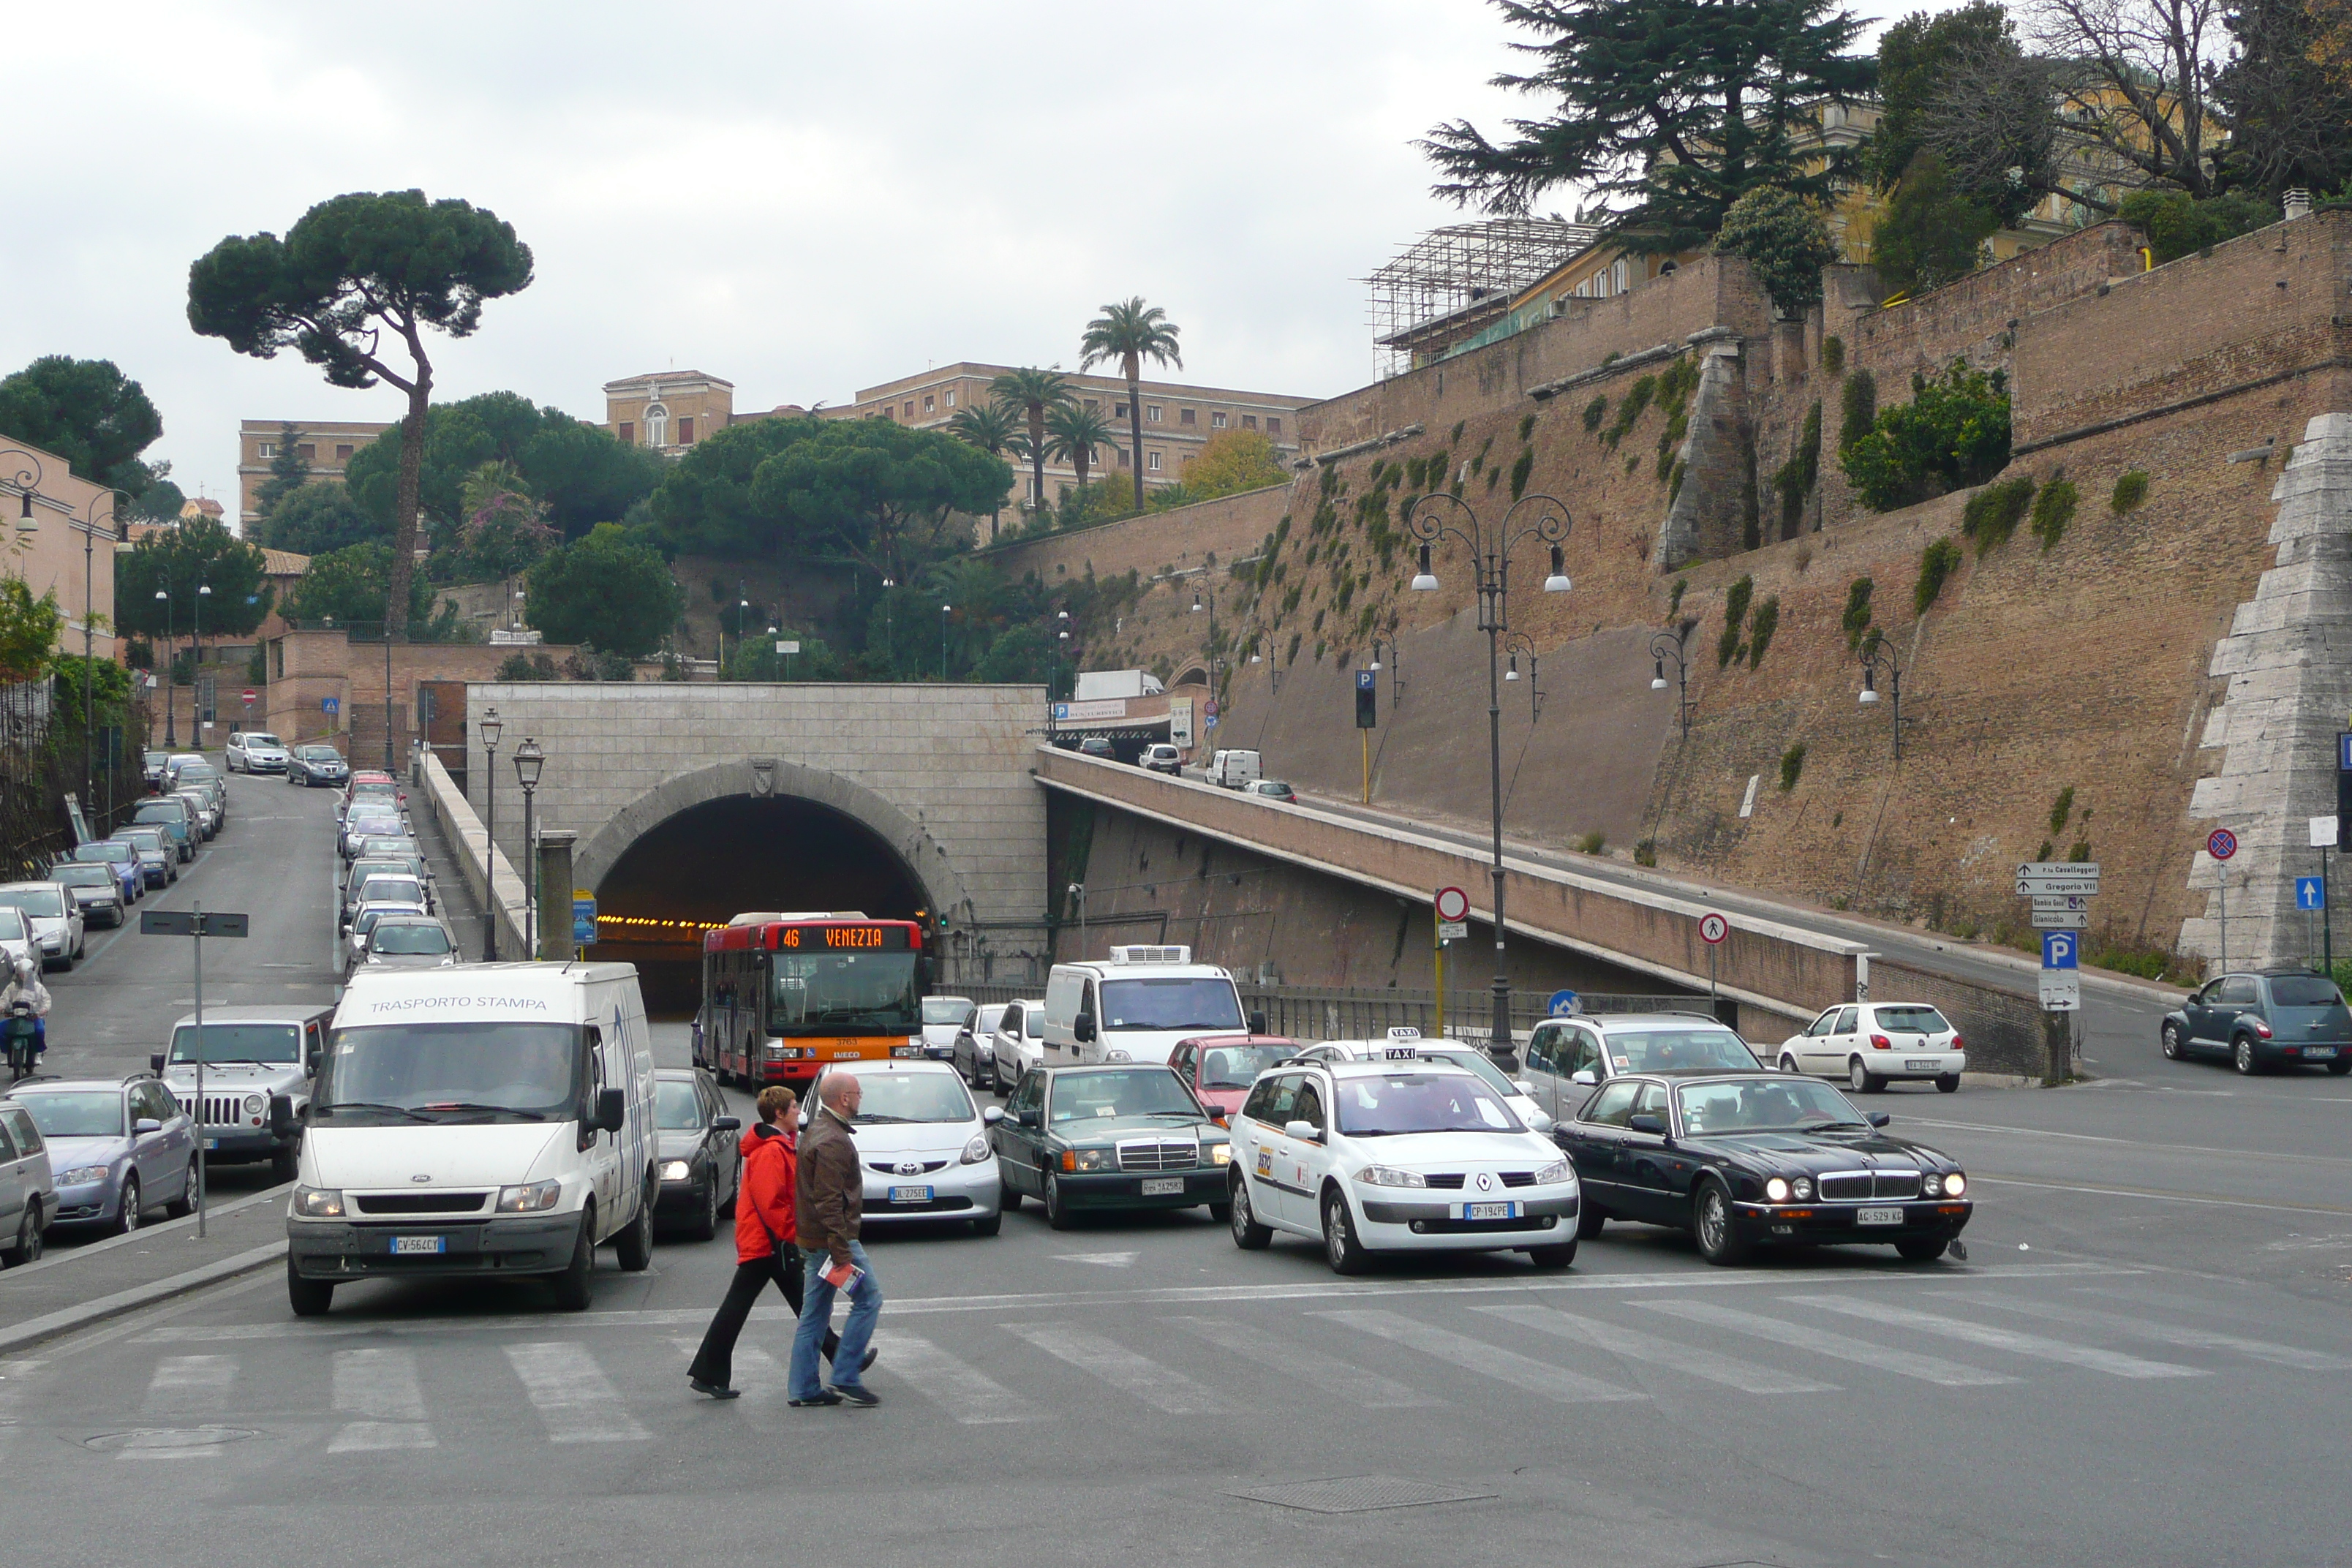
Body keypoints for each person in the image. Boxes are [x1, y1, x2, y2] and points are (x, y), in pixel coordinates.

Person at [685, 1085, 868, 1398]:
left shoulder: (781, 1145)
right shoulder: (771, 1150)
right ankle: (842, 1360)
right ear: (779, 1114)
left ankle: (709, 1372)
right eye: (794, 1107)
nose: (799, 1112)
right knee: (799, 1306)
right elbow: (772, 1204)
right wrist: (795, 1236)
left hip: (768, 1242)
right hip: (770, 1243)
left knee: (797, 1305)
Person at [788, 1070, 883, 1408]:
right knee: (869, 1298)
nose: (861, 1098)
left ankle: (803, 1388)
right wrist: (842, 1251)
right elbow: (828, 1201)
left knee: (814, 1315)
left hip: (816, 1241)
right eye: (858, 1092)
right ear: (844, 1098)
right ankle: (845, 1375)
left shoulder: (820, 1129)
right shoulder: (833, 1141)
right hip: (831, 1243)